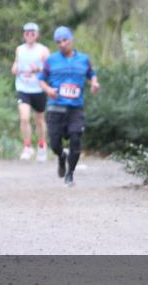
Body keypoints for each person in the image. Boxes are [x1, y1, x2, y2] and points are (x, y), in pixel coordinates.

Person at [37, 26, 100, 186]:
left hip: (75, 108)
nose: (62, 44)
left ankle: (70, 174)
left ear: (71, 40)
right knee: (55, 144)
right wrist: (48, 90)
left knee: (75, 138)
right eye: (58, 42)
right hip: (56, 107)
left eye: (64, 40)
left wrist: (94, 83)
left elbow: (91, 74)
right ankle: (61, 156)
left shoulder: (84, 59)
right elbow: (41, 79)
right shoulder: (51, 60)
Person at [12, 22, 50, 162]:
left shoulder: (43, 50)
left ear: (37, 35)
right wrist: (15, 68)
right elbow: (16, 64)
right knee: (24, 118)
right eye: (27, 33)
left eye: (32, 33)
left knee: (39, 119)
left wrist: (38, 70)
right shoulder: (19, 49)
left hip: (38, 89)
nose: (29, 35)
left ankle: (41, 145)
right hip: (23, 88)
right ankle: (27, 147)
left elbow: (49, 71)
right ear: (24, 34)